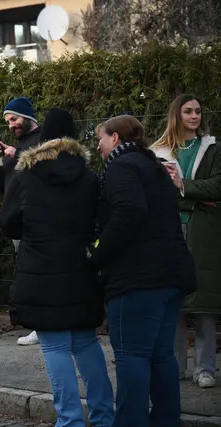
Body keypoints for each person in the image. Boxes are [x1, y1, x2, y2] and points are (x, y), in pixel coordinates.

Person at [2, 109, 113, 427]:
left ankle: (70, 420)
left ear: (44, 138)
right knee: (86, 342)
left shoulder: (26, 175)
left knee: (54, 346)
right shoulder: (88, 176)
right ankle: (104, 416)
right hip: (81, 270)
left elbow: (9, 223)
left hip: (40, 272)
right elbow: (101, 220)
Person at [90, 115, 196, 427]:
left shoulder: (122, 167)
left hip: (138, 279)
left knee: (132, 355)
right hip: (171, 274)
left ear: (115, 138)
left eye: (101, 138)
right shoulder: (154, 167)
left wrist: (97, 252)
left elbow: (129, 211)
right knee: (161, 355)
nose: (98, 146)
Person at [151, 94, 220, 389]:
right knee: (173, 300)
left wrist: (182, 186)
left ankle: (205, 368)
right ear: (176, 115)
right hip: (168, 230)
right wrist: (198, 197)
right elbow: (155, 193)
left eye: (198, 111)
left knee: (204, 303)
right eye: (188, 111)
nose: (194, 116)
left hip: (203, 232)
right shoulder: (159, 151)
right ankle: (174, 366)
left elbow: (218, 184)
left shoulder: (213, 148)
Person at [0, 96, 42, 347]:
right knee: (28, 273)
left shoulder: (41, 140)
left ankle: (42, 325)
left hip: (35, 220)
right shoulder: (19, 146)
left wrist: (16, 153)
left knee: (37, 273)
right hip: (19, 222)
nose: (11, 125)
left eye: (14, 119)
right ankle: (38, 323)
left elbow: (41, 167)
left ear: (28, 117)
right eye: (8, 121)